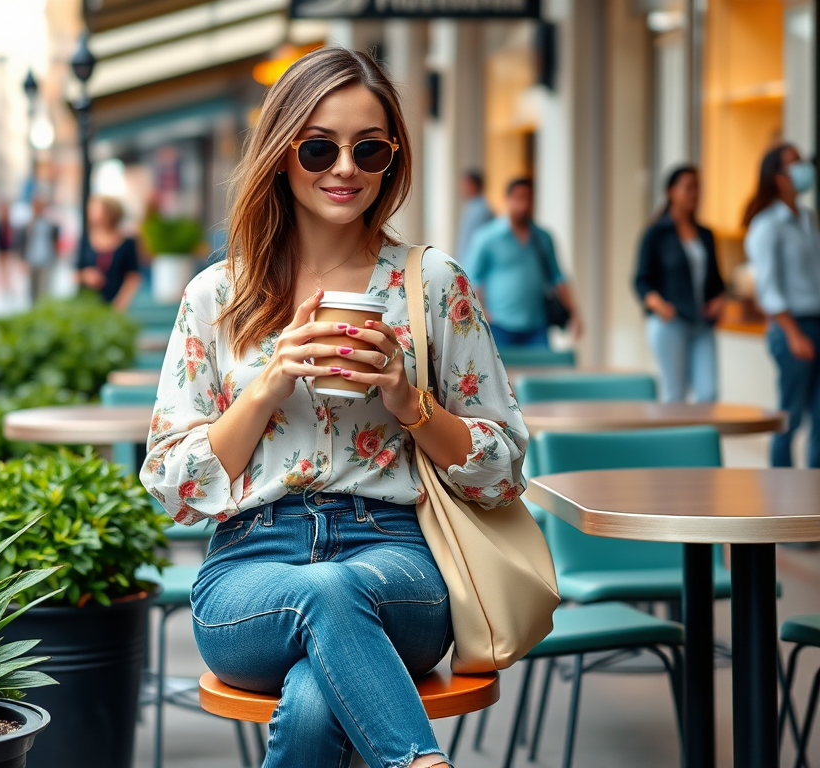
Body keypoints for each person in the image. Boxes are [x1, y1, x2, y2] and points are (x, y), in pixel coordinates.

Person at [139, 47, 527, 768]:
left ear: (392, 160)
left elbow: (503, 471)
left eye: (368, 149)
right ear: (281, 155)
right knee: (319, 661)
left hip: (398, 560)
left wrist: (411, 403)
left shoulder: (434, 283)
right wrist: (267, 385)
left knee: (326, 655)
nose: (343, 168)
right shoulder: (217, 295)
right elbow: (171, 485)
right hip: (252, 565)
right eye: (318, 147)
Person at [744, 144, 820, 468]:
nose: (803, 169)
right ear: (777, 177)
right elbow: (769, 288)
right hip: (793, 327)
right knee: (790, 416)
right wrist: (792, 333)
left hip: (816, 321)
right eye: (794, 165)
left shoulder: (808, 218)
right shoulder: (767, 225)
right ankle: (781, 498)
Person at [634, 165, 726, 403]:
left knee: (708, 393)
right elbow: (641, 280)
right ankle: (670, 441)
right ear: (671, 192)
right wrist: (658, 305)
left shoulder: (705, 235)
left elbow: (717, 282)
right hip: (670, 323)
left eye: (698, 188)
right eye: (688, 187)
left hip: (701, 323)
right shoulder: (656, 233)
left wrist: (719, 300)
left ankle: (697, 440)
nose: (694, 193)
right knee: (675, 394)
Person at [462, 177, 582, 348]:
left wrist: (574, 314)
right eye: (519, 198)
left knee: (542, 373)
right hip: (500, 325)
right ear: (508, 199)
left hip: (537, 326)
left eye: (528, 198)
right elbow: (471, 278)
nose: (524, 205)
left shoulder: (543, 238)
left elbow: (558, 277)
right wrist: (482, 314)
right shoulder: (487, 238)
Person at [75, 195, 141, 311]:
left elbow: (133, 277)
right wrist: (86, 276)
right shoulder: (85, 240)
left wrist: (119, 305)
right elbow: (75, 273)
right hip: (88, 304)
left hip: (118, 304)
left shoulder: (127, 243)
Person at [20, 197, 59, 305]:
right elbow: (23, 243)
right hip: (32, 260)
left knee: (44, 291)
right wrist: (23, 261)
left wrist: (56, 258)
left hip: (46, 260)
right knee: (32, 291)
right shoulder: (29, 224)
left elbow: (55, 241)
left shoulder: (50, 223)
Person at [456, 169, 494, 261]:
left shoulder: (479, 210)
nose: (461, 188)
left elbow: (472, 244)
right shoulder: (474, 207)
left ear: (473, 185)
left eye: (464, 184)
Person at [0, 202, 16, 293]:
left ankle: (9, 285)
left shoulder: (10, 224)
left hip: (8, 249)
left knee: (8, 269)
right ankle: (5, 286)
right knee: (2, 269)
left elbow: (13, 239)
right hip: (0, 249)